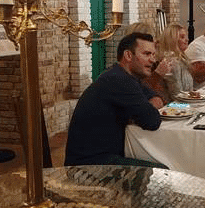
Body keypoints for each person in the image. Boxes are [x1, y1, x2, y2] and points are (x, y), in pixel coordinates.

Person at [65, 32, 164, 167]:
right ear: (128, 55)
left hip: (104, 156)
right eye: (146, 54)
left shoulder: (126, 76)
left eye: (153, 54)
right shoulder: (119, 80)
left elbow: (158, 98)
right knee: (162, 172)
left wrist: (143, 108)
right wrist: (143, 109)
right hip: (88, 166)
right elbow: (152, 121)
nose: (153, 60)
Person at [158, 23, 194, 98]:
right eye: (182, 37)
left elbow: (187, 90)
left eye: (186, 36)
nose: (187, 40)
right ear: (172, 40)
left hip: (184, 103)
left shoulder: (182, 60)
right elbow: (176, 95)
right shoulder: (172, 62)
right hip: (175, 106)